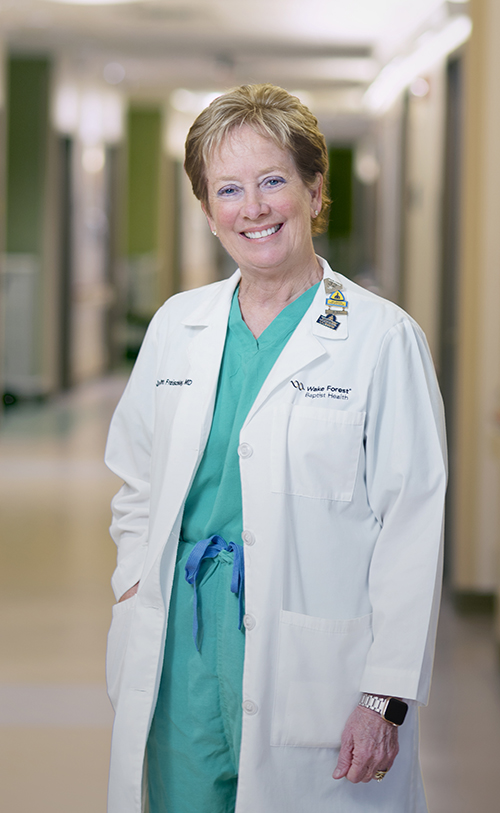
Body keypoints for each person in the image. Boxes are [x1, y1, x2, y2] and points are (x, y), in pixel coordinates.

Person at [104, 84, 446, 813]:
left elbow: (412, 526)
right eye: (228, 189)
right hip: (180, 647)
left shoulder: (381, 339)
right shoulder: (177, 324)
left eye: (272, 182)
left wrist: (383, 697)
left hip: (311, 658)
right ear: (207, 210)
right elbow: (135, 479)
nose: (251, 208)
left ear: (315, 190)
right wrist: (134, 585)